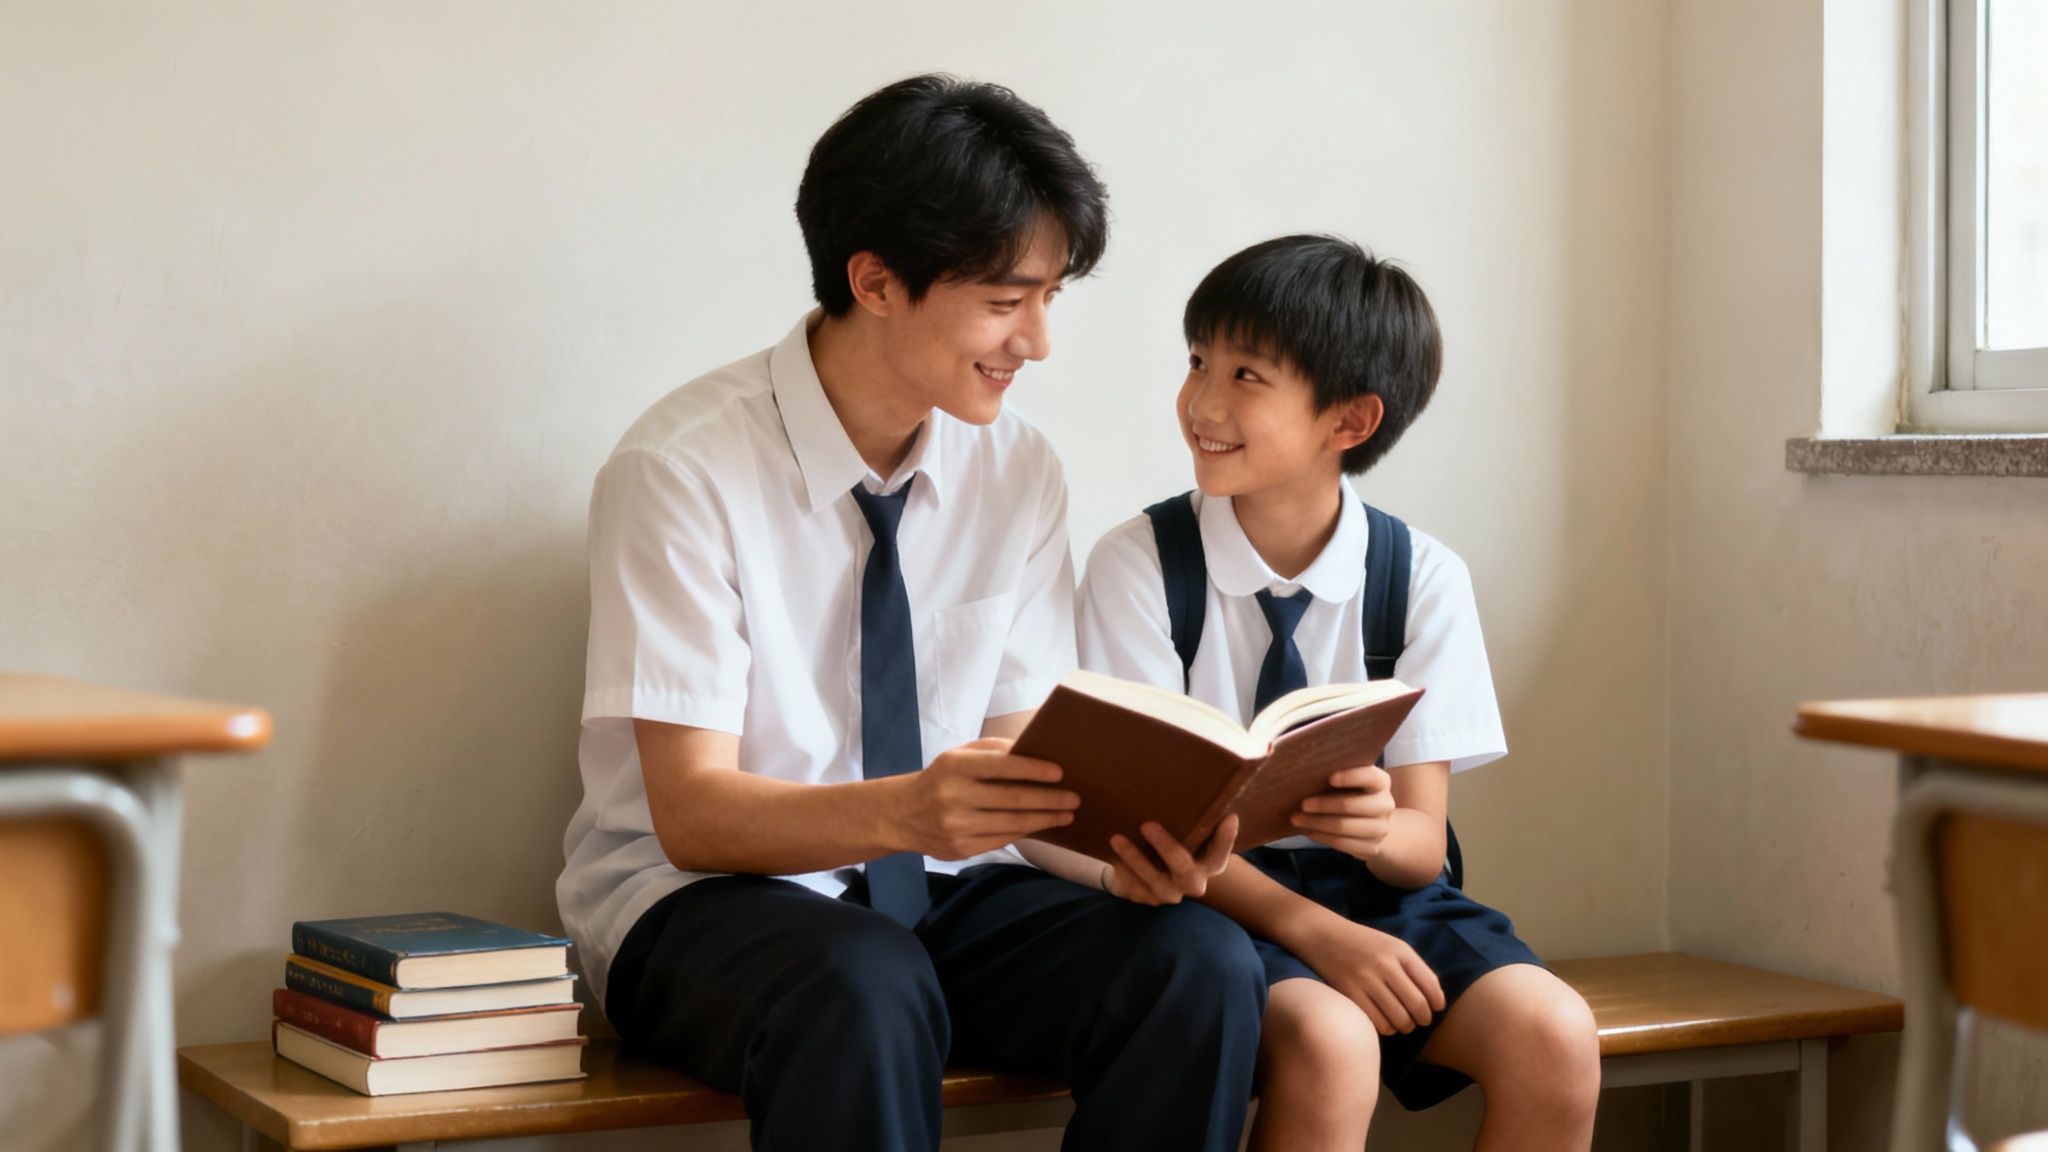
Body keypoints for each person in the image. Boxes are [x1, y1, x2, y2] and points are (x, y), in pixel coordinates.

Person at [554, 74, 1264, 1152]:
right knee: (863, 981)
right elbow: (691, 812)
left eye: (1049, 298)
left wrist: (1121, 858)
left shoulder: (1017, 467)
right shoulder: (680, 470)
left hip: (940, 890)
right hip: (699, 903)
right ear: (875, 281)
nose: (1035, 341)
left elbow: (1014, 752)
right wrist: (909, 813)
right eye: (1003, 299)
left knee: (1198, 963)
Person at [1072, 235, 1602, 1151]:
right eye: (1198, 361)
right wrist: (1318, 935)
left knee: (1555, 1035)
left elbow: (1421, 848)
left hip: (1385, 905)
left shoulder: (1420, 576)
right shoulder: (1139, 566)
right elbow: (1147, 833)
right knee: (1334, 1042)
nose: (1201, 401)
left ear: (1349, 423)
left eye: (1247, 376)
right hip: (1215, 904)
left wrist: (1375, 828)